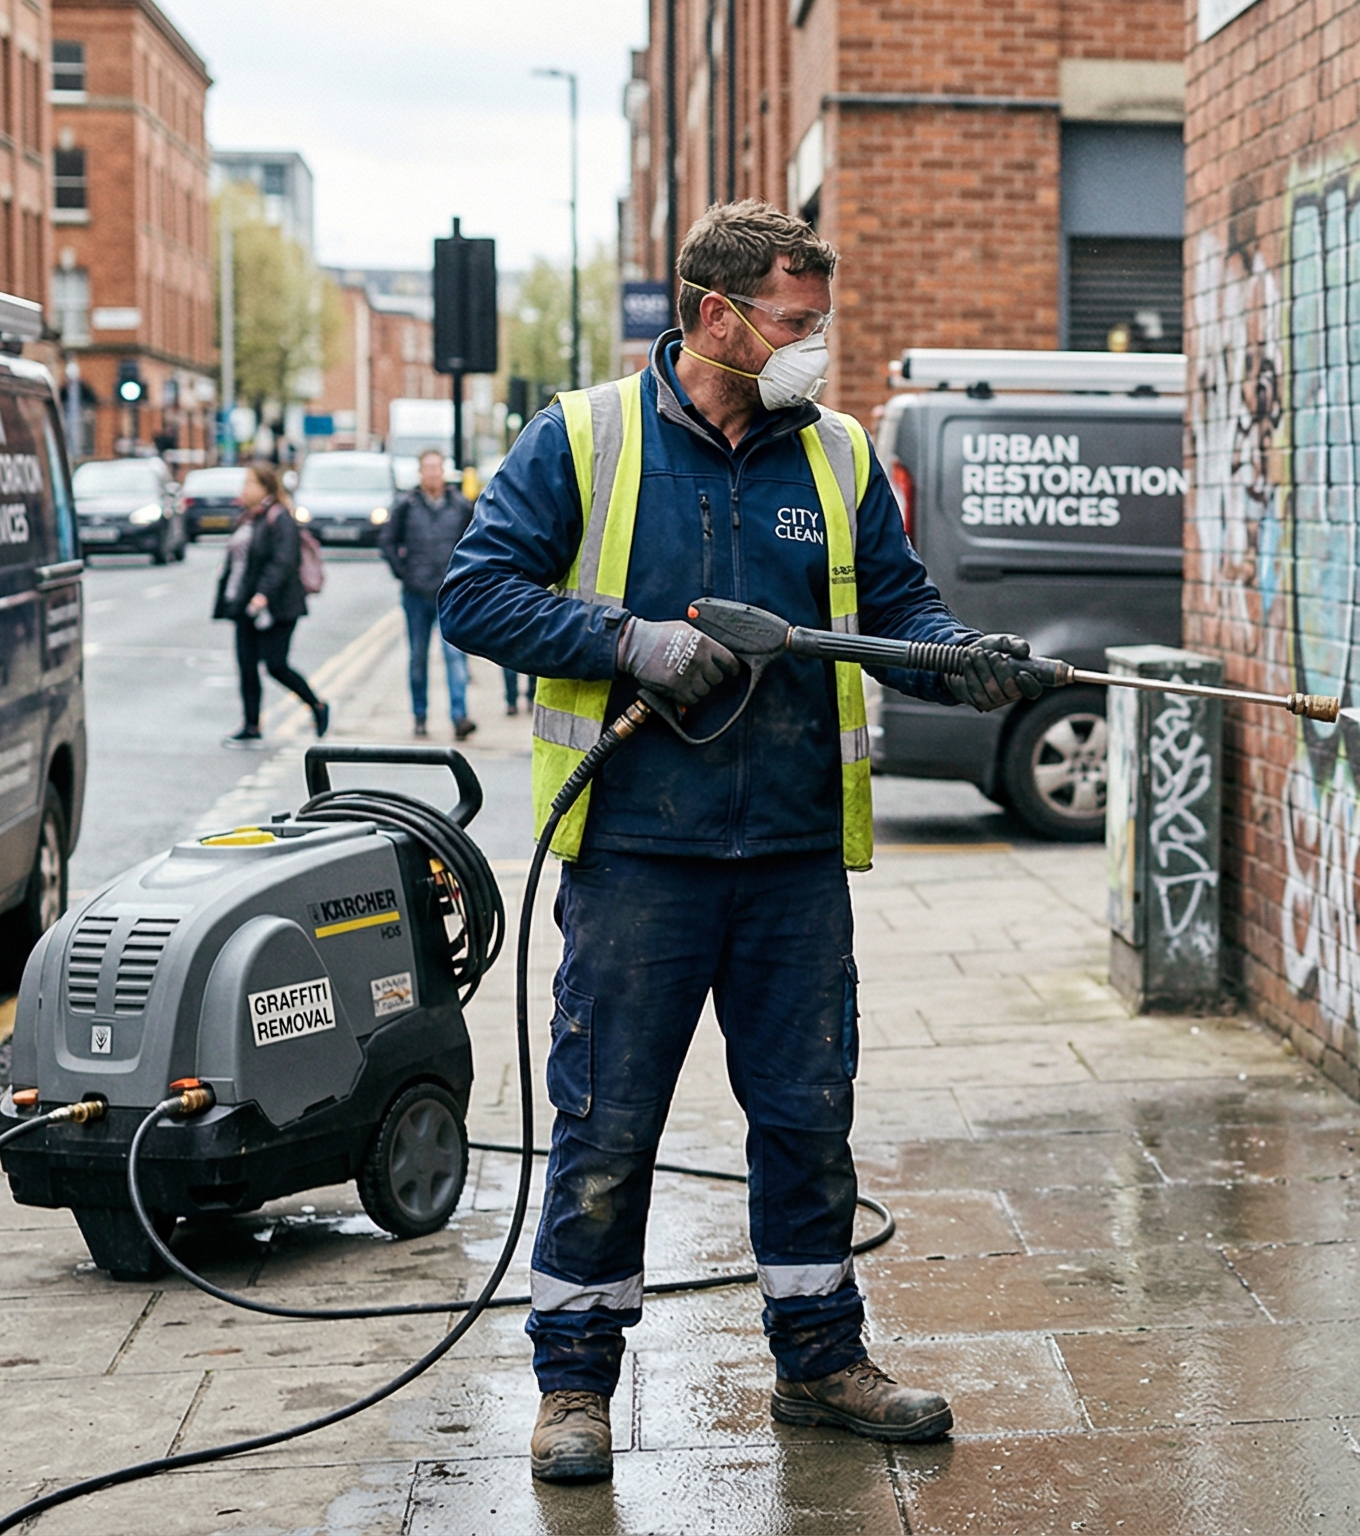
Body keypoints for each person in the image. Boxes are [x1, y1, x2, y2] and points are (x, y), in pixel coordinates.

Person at [438, 200, 1041, 1485]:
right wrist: (628, 641)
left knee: (808, 1117)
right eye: (794, 321)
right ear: (716, 317)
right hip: (637, 854)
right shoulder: (584, 438)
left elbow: (897, 612)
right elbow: (475, 594)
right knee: (607, 1123)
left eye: (819, 321)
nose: (814, 344)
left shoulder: (835, 452)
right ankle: (574, 1383)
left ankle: (820, 1360)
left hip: (790, 857)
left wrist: (963, 662)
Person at [212, 460, 327, 742]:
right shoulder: (249, 517)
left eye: (250, 483)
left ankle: (317, 705)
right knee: (247, 665)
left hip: (277, 606)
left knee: (276, 665)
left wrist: (263, 594)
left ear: (266, 487)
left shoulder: (280, 518)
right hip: (244, 604)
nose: (244, 488)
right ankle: (251, 725)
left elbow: (283, 561)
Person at [379, 448, 475, 739]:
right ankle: (420, 716)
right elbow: (387, 542)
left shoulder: (460, 506)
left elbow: (474, 543)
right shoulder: (406, 505)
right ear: (420, 472)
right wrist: (404, 573)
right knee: (418, 658)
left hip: (450, 595)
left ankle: (459, 717)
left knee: (455, 657)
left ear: (443, 471)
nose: (433, 473)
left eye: (437, 467)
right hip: (416, 594)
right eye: (428, 468)